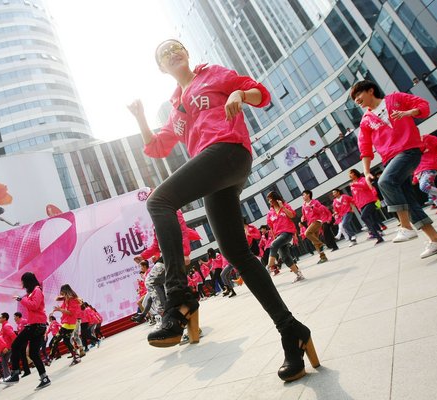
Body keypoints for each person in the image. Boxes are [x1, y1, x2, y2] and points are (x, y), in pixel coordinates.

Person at [127, 39, 318, 382]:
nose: (172, 52)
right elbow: (157, 148)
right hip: (216, 173)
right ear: (161, 68)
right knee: (238, 254)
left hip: (228, 150)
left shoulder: (211, 73)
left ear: (186, 53)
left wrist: (239, 95)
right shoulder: (175, 108)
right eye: (164, 53)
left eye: (176, 47)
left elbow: (260, 93)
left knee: (158, 201)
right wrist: (141, 117)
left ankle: (178, 300)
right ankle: (292, 331)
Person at [351, 80, 437, 258]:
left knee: (385, 182)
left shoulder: (395, 99)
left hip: (409, 150)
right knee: (408, 201)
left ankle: (405, 227)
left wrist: (410, 112)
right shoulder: (365, 121)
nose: (356, 100)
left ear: (370, 90)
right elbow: (365, 148)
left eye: (357, 95)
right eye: (354, 99)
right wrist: (366, 172)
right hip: (389, 159)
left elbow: (423, 105)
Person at [4, 272, 50, 390]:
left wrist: (21, 299)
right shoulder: (33, 292)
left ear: (27, 281)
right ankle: (44, 378)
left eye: (23, 281)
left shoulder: (37, 290)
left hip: (36, 325)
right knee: (34, 354)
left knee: (15, 345)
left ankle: (15, 373)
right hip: (36, 325)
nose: (22, 284)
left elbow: (34, 305)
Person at [266, 192, 305, 283]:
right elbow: (271, 227)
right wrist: (275, 237)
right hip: (278, 235)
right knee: (285, 258)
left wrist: (282, 207)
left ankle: (268, 268)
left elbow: (292, 215)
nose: (269, 201)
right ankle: (299, 274)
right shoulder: (270, 213)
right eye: (268, 200)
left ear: (275, 198)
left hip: (287, 233)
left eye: (270, 199)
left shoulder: (285, 206)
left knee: (273, 245)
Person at [349, 169, 385, 244]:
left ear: (355, 173)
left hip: (370, 201)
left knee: (364, 217)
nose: (350, 175)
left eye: (351, 173)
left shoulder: (362, 179)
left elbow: (365, 186)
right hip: (361, 205)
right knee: (370, 220)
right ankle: (378, 236)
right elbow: (355, 196)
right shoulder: (352, 185)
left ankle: (377, 232)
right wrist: (358, 207)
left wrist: (354, 184)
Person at [51, 284, 82, 366]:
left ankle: (50, 358)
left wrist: (60, 309)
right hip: (67, 323)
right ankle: (76, 357)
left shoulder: (72, 300)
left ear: (66, 291)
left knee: (56, 340)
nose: (62, 295)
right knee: (66, 341)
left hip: (69, 323)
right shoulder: (66, 300)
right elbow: (64, 310)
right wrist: (58, 310)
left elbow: (70, 312)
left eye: (63, 293)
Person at [300, 190, 329, 264]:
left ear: (308, 195)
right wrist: (303, 218)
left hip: (317, 221)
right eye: (302, 195)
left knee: (307, 233)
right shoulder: (303, 205)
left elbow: (320, 211)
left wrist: (313, 208)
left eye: (304, 195)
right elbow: (304, 215)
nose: (303, 197)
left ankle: (322, 244)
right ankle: (323, 257)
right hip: (310, 223)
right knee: (314, 242)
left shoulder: (315, 202)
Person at [0, 313, 16, 380]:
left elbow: (13, 336)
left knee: (4, 363)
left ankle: (8, 376)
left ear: (4, 318)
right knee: (4, 363)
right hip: (5, 348)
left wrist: (13, 346)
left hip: (7, 348)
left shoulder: (6, 326)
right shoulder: (3, 326)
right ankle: (7, 376)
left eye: (0, 317)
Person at [11, 312, 29, 376]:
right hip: (21, 341)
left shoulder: (24, 321)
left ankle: (27, 371)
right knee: (22, 356)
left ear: (18, 316)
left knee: (23, 356)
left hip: (24, 341)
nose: (14, 318)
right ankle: (27, 370)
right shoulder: (18, 324)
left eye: (15, 317)